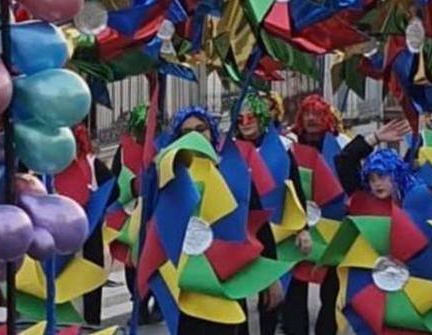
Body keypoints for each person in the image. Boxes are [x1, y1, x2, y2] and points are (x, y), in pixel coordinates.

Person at [151, 106, 286, 335]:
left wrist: (271, 279)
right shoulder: (172, 177)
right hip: (188, 280)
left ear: (212, 133)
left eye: (200, 129)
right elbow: (157, 229)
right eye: (186, 132)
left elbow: (257, 223)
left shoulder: (233, 171)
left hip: (228, 275)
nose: (194, 135)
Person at [283, 94, 410, 335]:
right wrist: (298, 225)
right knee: (296, 289)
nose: (311, 119)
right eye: (307, 113)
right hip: (298, 227)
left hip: (336, 229)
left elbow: (345, 162)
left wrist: (374, 138)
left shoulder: (340, 143)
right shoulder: (288, 145)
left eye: (318, 114)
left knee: (332, 292)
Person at [234, 92, 311, 335]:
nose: (245, 123)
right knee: (237, 293)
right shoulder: (228, 151)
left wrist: (303, 228)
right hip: (239, 232)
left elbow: (295, 190)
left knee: (271, 294)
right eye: (240, 119)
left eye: (251, 117)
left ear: (262, 118)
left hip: (274, 231)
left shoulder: (283, 147)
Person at [54, 124, 113, 326]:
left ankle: (89, 326)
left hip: (90, 241)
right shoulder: (47, 168)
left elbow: (112, 190)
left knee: (89, 293)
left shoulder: (92, 164)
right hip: (62, 243)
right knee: (67, 295)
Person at [107, 104, 160, 324]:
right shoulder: (124, 148)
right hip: (131, 213)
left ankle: (157, 302)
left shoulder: (163, 147)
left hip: (157, 212)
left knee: (157, 259)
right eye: (141, 128)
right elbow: (115, 179)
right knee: (132, 260)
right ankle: (138, 303)